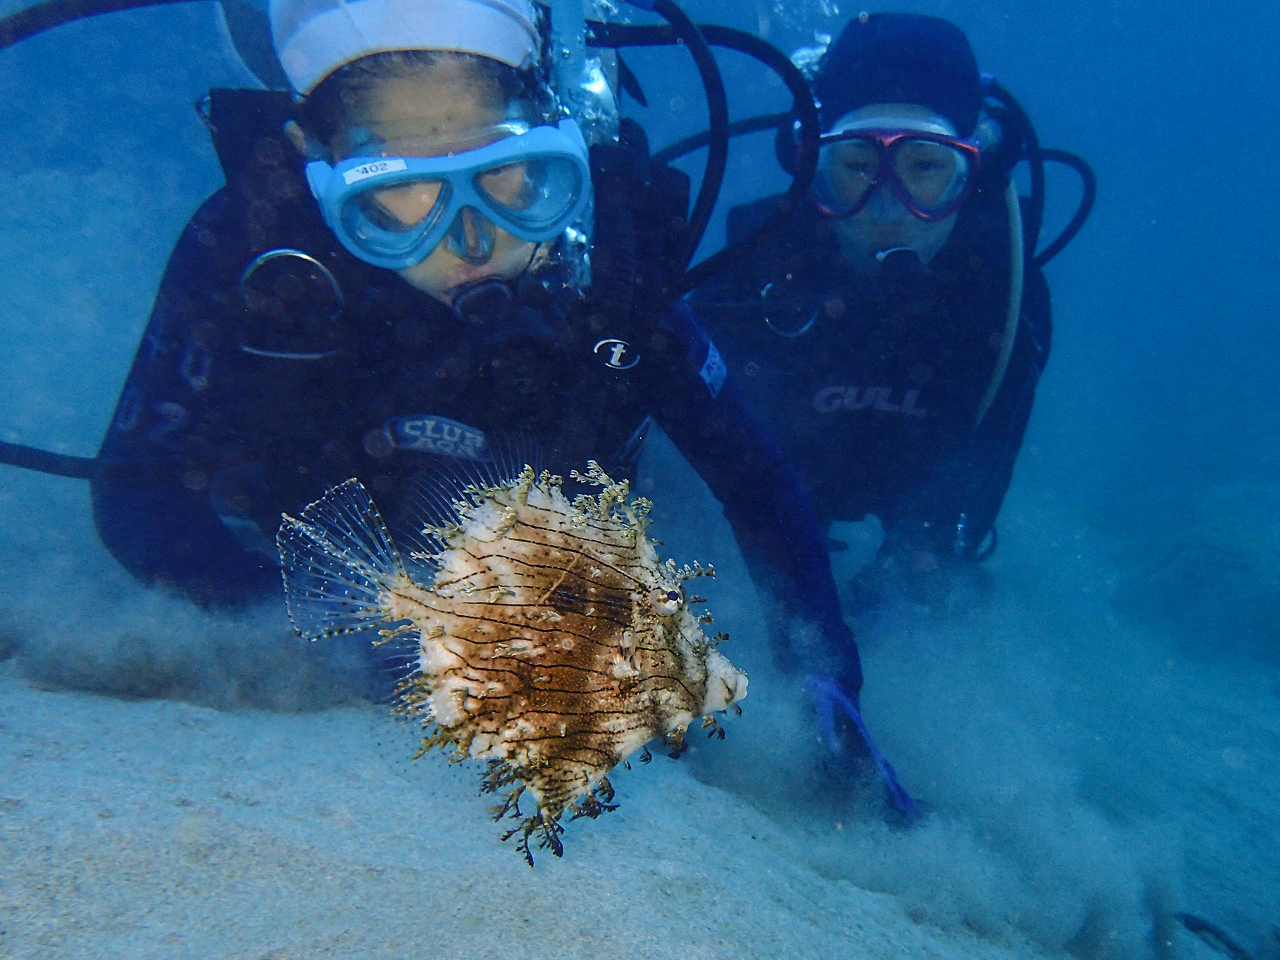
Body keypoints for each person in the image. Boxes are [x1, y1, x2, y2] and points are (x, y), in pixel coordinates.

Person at [85, 0, 914, 810]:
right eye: (400, 196)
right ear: (315, 166)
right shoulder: (252, 251)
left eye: (512, 177)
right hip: (311, 562)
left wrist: (823, 673)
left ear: (565, 140)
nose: (469, 242)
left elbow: (756, 481)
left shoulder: (613, 268)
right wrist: (336, 636)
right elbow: (137, 496)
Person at [693, 13, 1058, 596]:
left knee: (932, 589)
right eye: (858, 166)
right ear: (812, 165)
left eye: (926, 167)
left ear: (973, 174)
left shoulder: (1006, 294)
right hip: (776, 491)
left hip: (918, 501)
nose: (888, 210)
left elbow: (981, 475)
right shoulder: (750, 273)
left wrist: (923, 554)